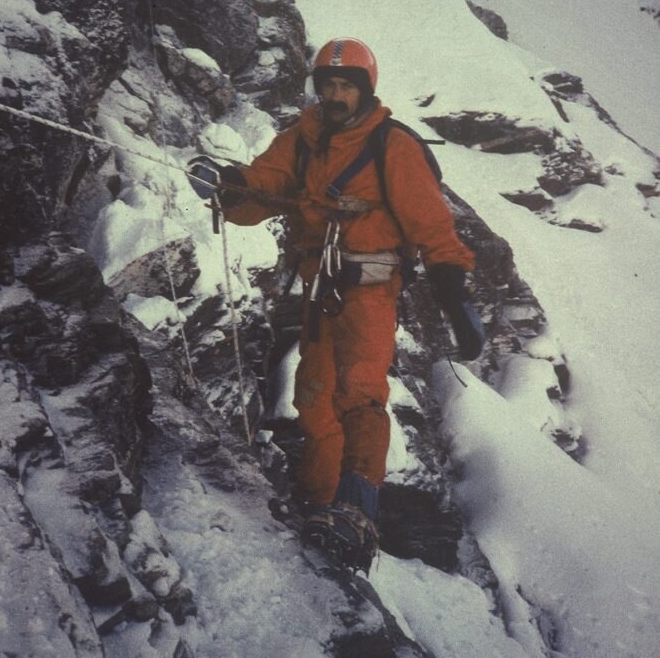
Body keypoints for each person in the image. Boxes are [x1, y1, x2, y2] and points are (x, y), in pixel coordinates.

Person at [188, 38, 483, 572]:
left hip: (370, 291)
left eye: (347, 85)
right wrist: (227, 184)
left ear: (366, 89)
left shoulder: (392, 145)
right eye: (329, 84)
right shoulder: (301, 140)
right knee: (314, 400)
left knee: (359, 394)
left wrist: (452, 286)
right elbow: (262, 189)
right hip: (322, 291)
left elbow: (430, 222)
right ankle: (319, 505)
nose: (336, 94)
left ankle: (357, 513)